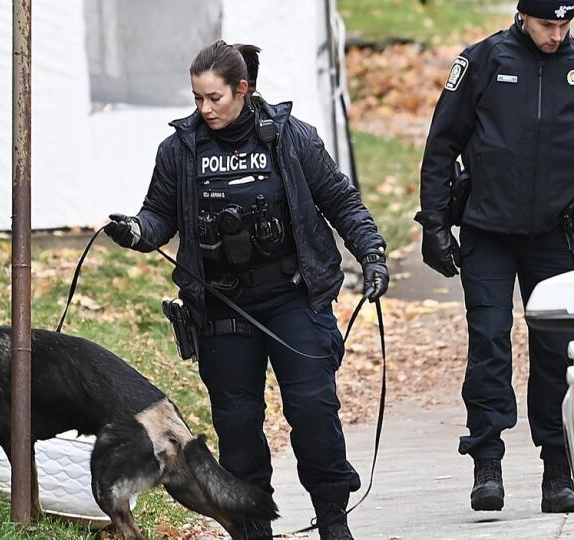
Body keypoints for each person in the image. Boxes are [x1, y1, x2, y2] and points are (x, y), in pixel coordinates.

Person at [104, 40, 389, 540]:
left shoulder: (290, 138)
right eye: (196, 98)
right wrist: (135, 231)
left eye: (214, 98)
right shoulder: (180, 150)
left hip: (292, 297)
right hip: (221, 305)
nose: (204, 108)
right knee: (237, 429)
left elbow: (341, 201)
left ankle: (332, 517)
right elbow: (158, 216)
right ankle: (253, 527)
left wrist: (372, 254)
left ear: (242, 89)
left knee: (313, 411)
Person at [415, 0, 574, 514]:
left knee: (557, 355)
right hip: (487, 231)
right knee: (488, 344)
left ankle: (559, 470)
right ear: (522, 17)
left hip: (551, 235)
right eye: (545, 25)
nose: (555, 35)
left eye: (564, 25)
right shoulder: (484, 61)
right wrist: (435, 223)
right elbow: (441, 144)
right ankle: (486, 461)